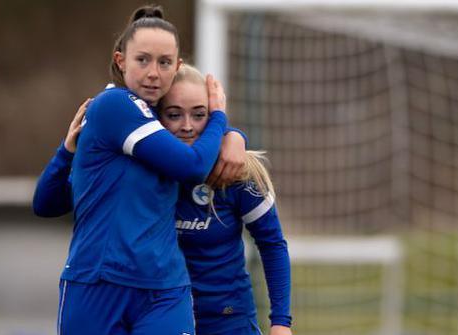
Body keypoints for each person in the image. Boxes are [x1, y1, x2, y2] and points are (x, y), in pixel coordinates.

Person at [35, 63, 293, 335]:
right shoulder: (134, 168)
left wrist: (281, 322)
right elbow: (47, 203)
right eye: (173, 114)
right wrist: (67, 151)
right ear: (154, 118)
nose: (187, 126)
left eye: (199, 114)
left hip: (226, 319)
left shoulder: (235, 169)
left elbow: (272, 242)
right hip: (157, 315)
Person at [34, 5, 246, 335]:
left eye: (164, 63)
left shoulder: (160, 119)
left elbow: (193, 138)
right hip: (98, 283)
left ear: (176, 67)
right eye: (142, 59)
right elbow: (46, 204)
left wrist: (234, 135)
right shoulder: (115, 106)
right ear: (120, 61)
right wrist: (67, 150)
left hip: (164, 290)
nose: (153, 73)